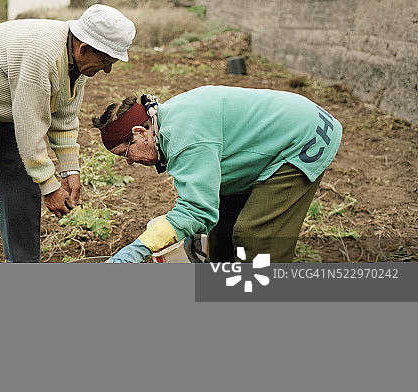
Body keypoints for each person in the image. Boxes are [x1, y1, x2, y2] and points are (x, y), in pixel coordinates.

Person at [0, 4, 136, 263]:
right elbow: (31, 133)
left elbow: (63, 118)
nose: (107, 70)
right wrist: (50, 188)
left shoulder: (78, 62)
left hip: (7, 111)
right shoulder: (43, 57)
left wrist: (70, 170)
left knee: (23, 192)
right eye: (106, 62)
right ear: (84, 48)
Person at [92, 86, 342, 263]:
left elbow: (197, 209)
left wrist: (140, 248)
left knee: (253, 235)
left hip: (303, 137)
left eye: (125, 153)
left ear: (139, 132)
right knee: (222, 230)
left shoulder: (183, 138)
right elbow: (206, 205)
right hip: (274, 137)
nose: (130, 163)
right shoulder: (164, 121)